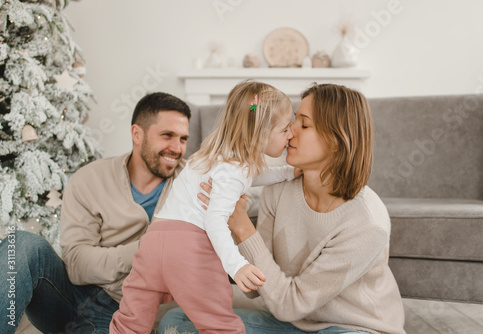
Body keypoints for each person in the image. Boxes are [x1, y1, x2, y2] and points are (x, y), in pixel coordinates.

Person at [160, 84, 407, 334]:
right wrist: (228, 221)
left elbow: (291, 304)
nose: (289, 131)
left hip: (354, 328)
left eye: (304, 124)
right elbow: (256, 289)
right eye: (292, 121)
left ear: (336, 139)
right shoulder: (277, 191)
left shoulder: (367, 222)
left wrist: (242, 225)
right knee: (178, 322)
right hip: (292, 324)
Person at [110, 81, 302, 334]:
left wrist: (288, 172)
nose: (290, 134)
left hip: (152, 243)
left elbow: (252, 176)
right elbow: (215, 219)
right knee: (219, 324)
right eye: (285, 128)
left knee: (130, 323)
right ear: (261, 133)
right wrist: (237, 265)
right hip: (190, 249)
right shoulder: (234, 172)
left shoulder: (217, 156)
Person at [0, 92, 191, 334]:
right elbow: (78, 265)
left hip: (126, 312)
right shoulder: (91, 179)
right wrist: (146, 249)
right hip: (70, 298)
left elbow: (242, 195)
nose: (176, 148)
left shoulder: (194, 183)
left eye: (183, 139)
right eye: (167, 136)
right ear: (137, 134)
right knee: (22, 244)